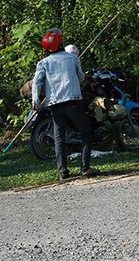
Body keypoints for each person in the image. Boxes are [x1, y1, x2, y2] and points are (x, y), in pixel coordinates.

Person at [31, 28, 100, 180]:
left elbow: (37, 83)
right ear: (61, 43)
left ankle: (63, 172)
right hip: (74, 101)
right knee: (85, 133)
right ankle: (85, 167)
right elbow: (81, 77)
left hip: (55, 105)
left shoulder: (43, 63)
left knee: (59, 138)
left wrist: (35, 101)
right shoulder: (73, 59)